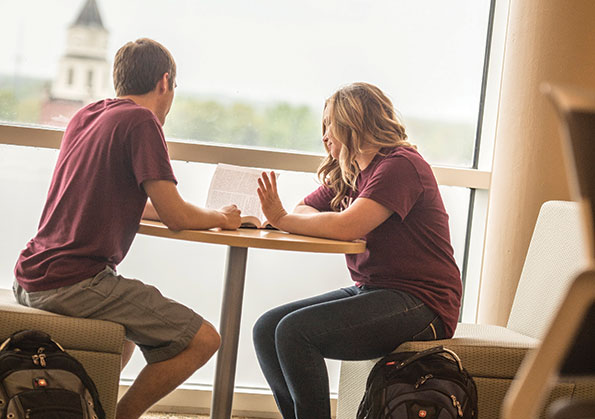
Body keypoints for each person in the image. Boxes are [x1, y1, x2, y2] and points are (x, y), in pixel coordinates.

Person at [13, 38, 242, 419]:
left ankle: (83, 410)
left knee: (125, 338)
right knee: (204, 340)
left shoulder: (87, 115)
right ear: (165, 82)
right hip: (73, 282)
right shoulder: (142, 120)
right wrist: (222, 218)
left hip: (31, 274)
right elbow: (175, 216)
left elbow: (119, 198)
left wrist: (201, 212)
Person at [253, 82, 462, 419]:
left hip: (425, 302)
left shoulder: (400, 165)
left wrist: (281, 219)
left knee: (294, 332)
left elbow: (347, 226)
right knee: (267, 329)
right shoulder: (353, 173)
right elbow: (305, 209)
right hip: (377, 290)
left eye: (329, 125)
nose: (324, 135)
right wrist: (290, 218)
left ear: (354, 123)